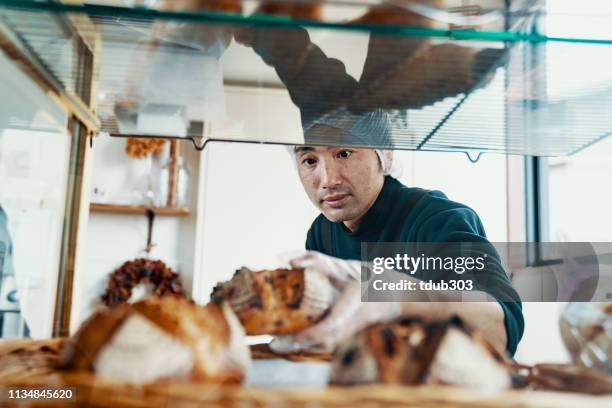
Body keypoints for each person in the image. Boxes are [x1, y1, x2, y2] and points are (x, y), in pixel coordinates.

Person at [277, 108, 524, 356]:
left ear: (385, 155)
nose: (328, 179)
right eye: (310, 160)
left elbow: (501, 331)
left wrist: (398, 297)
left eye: (344, 153)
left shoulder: (438, 220)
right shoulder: (322, 233)